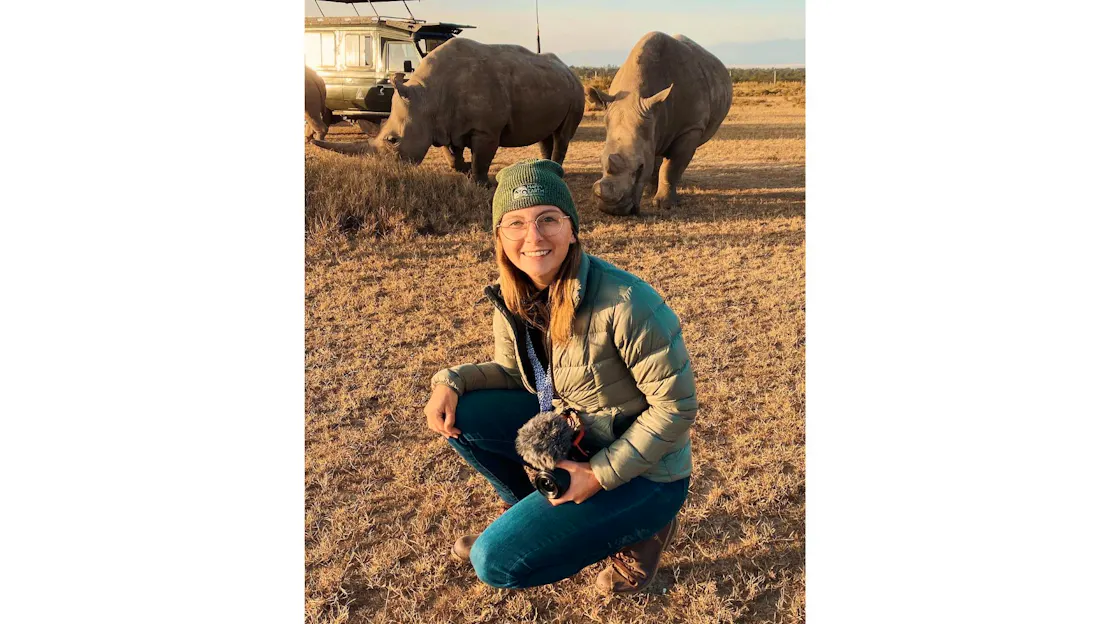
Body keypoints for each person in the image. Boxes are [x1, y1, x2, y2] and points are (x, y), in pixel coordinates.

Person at [423, 158, 697, 594]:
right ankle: (528, 517)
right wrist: (450, 381)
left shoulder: (627, 302)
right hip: (576, 439)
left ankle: (644, 533)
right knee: (466, 415)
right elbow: (515, 374)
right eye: (515, 223)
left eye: (548, 219)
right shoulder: (515, 292)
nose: (533, 236)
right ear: (499, 236)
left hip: (647, 473)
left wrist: (599, 474)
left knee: (495, 563)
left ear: (572, 229)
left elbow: (677, 408)